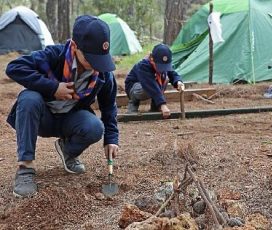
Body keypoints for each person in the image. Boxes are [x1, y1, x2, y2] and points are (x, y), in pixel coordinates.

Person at [6, 15, 119, 198]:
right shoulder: (53, 55)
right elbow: (14, 67)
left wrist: (112, 138)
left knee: (95, 127)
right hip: (42, 117)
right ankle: (25, 169)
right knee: (28, 98)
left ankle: (68, 150)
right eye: (90, 59)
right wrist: (53, 88)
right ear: (75, 47)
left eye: (100, 59)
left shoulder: (103, 75)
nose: (96, 66)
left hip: (70, 120)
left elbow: (109, 107)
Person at [124, 43, 184, 118]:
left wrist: (178, 81)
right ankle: (133, 103)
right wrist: (162, 104)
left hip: (151, 86)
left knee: (165, 79)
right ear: (152, 59)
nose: (162, 69)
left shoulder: (164, 64)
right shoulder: (143, 65)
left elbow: (172, 73)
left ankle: (155, 106)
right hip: (134, 87)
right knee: (149, 87)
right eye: (160, 65)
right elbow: (150, 85)